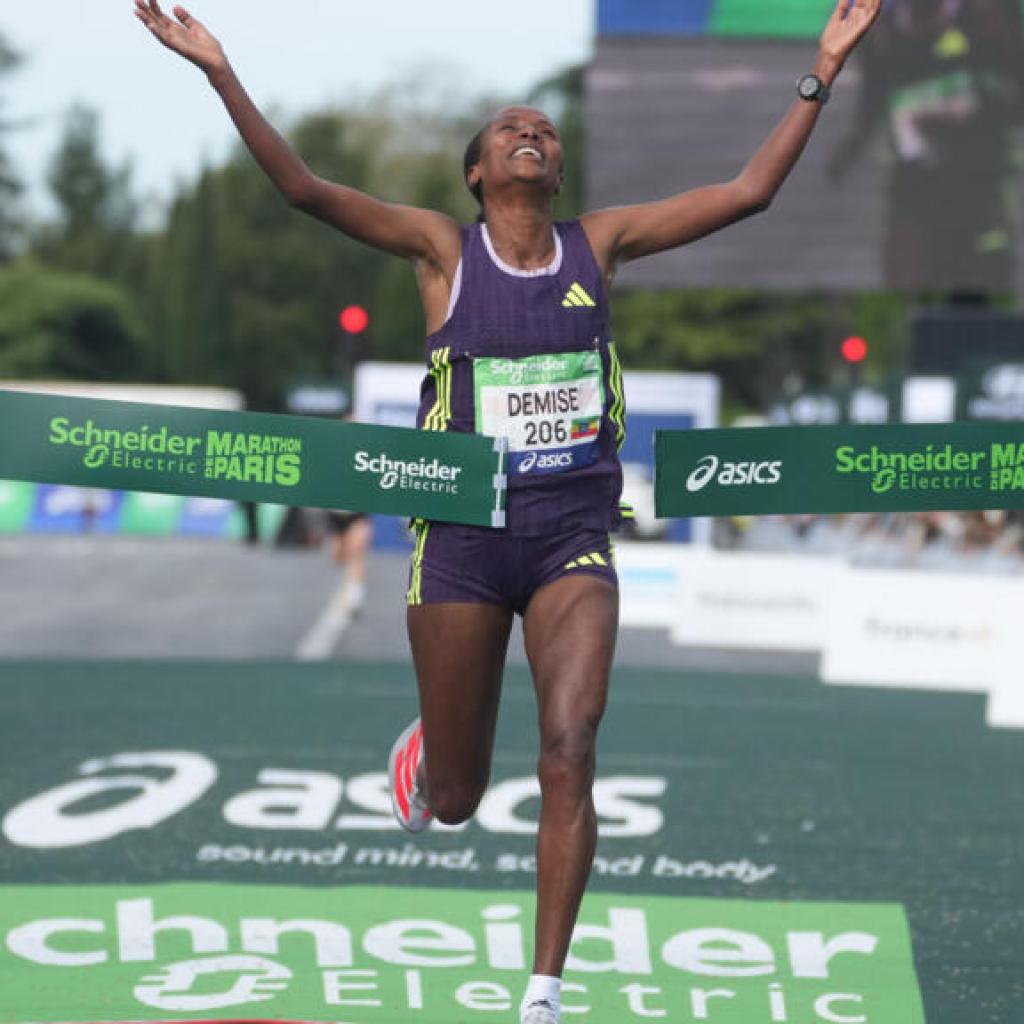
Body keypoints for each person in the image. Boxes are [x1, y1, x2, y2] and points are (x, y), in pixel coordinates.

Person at [134, 3, 881, 1020]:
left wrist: (821, 66)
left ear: (557, 172)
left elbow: (747, 192)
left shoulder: (599, 246)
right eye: (506, 131)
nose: (530, 133)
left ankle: (541, 990)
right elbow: (303, 189)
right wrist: (218, 71)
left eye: (545, 131)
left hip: (574, 535)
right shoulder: (443, 252)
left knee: (571, 745)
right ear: (478, 174)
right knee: (456, 801)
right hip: (461, 544)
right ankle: (429, 756)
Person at [829, 0, 1024, 295]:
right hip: (915, 177)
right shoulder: (882, 28)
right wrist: (851, 147)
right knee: (908, 267)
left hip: (979, 175)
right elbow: (873, 96)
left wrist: (971, 105)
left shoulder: (986, 15)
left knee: (981, 271)